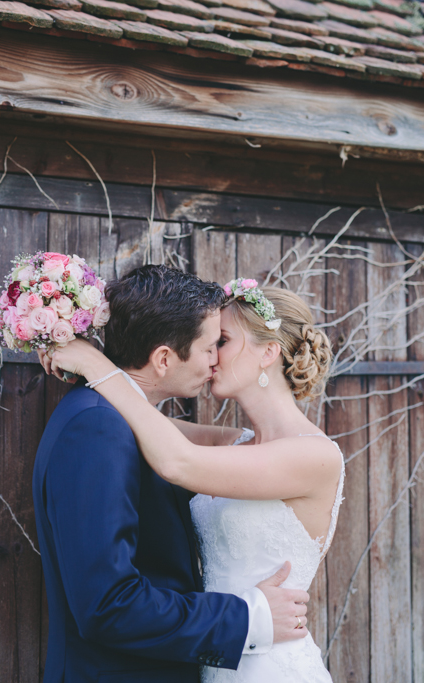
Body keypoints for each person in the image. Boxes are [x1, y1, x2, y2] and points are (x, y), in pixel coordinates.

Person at [45, 273, 343, 683]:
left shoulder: (313, 455)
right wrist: (94, 372)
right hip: (216, 652)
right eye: (211, 344)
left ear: (268, 352)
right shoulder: (236, 445)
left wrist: (95, 363)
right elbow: (142, 421)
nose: (213, 356)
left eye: (223, 341)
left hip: (266, 661)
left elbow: (175, 459)